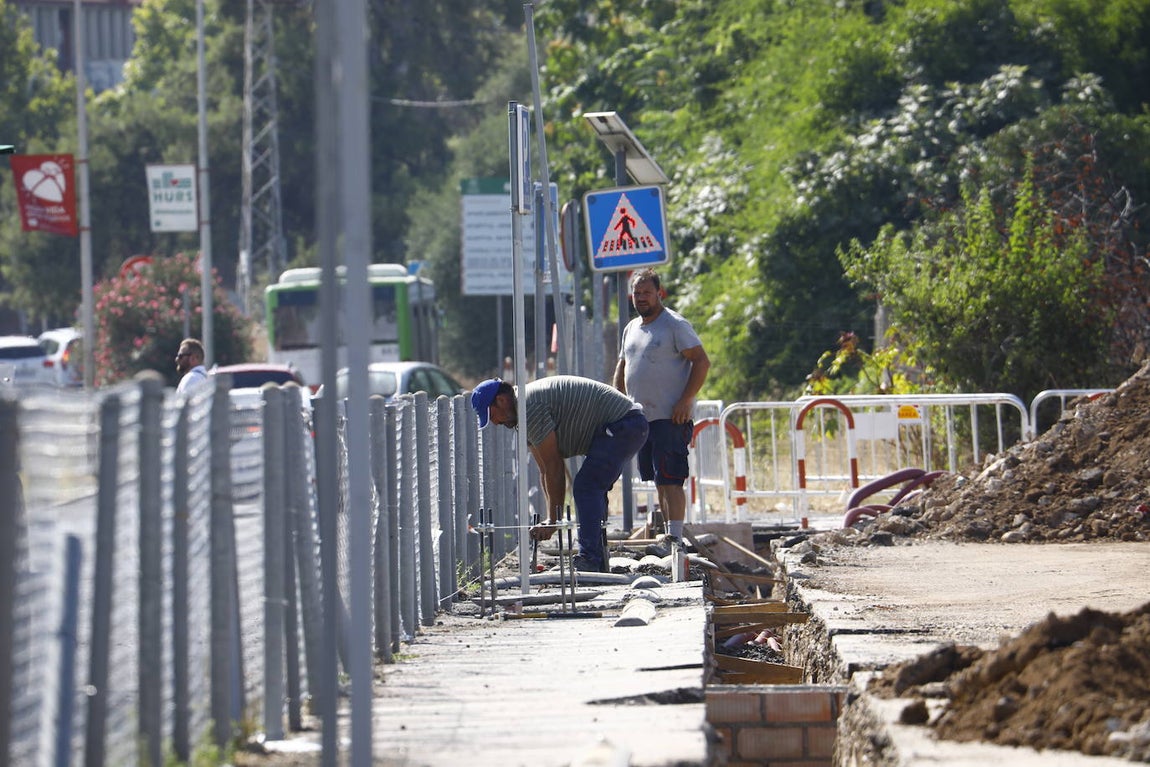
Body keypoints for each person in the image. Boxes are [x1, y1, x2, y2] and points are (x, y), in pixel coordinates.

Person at [471, 375, 648, 572]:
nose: (495, 423)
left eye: (491, 415)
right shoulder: (521, 417)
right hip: (625, 425)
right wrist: (551, 519)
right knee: (592, 488)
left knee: (586, 486)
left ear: (501, 401)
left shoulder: (528, 407)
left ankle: (590, 559)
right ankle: (596, 559)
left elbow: (555, 466)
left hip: (625, 423)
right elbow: (545, 469)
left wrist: (554, 521)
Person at [613, 268, 710, 548]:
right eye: (637, 293)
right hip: (641, 418)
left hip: (670, 416)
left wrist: (685, 400)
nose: (641, 297)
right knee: (658, 478)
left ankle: (676, 538)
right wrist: (618, 402)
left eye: (646, 292)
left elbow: (701, 362)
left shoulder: (674, 325)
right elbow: (623, 366)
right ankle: (669, 535)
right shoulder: (631, 328)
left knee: (672, 478)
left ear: (659, 293)